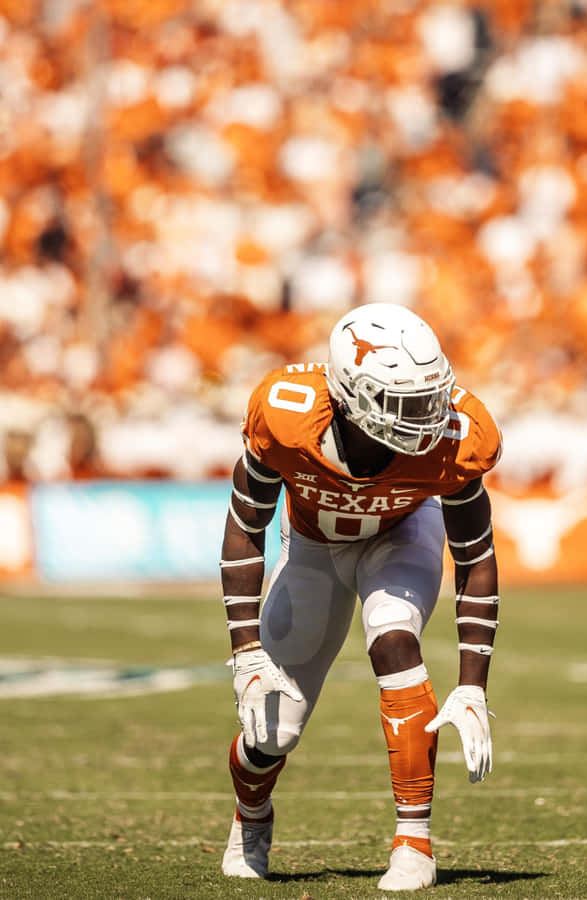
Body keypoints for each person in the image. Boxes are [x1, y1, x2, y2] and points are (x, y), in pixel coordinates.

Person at [219, 301, 503, 891]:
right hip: (312, 548)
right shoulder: (287, 415)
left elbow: (475, 553)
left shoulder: (456, 437)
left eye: (430, 396)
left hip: (401, 535)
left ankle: (414, 843)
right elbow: (247, 525)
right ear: (350, 394)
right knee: (271, 733)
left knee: (394, 637)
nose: (426, 416)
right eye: (403, 402)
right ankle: (251, 815)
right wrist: (245, 651)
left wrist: (473, 684)